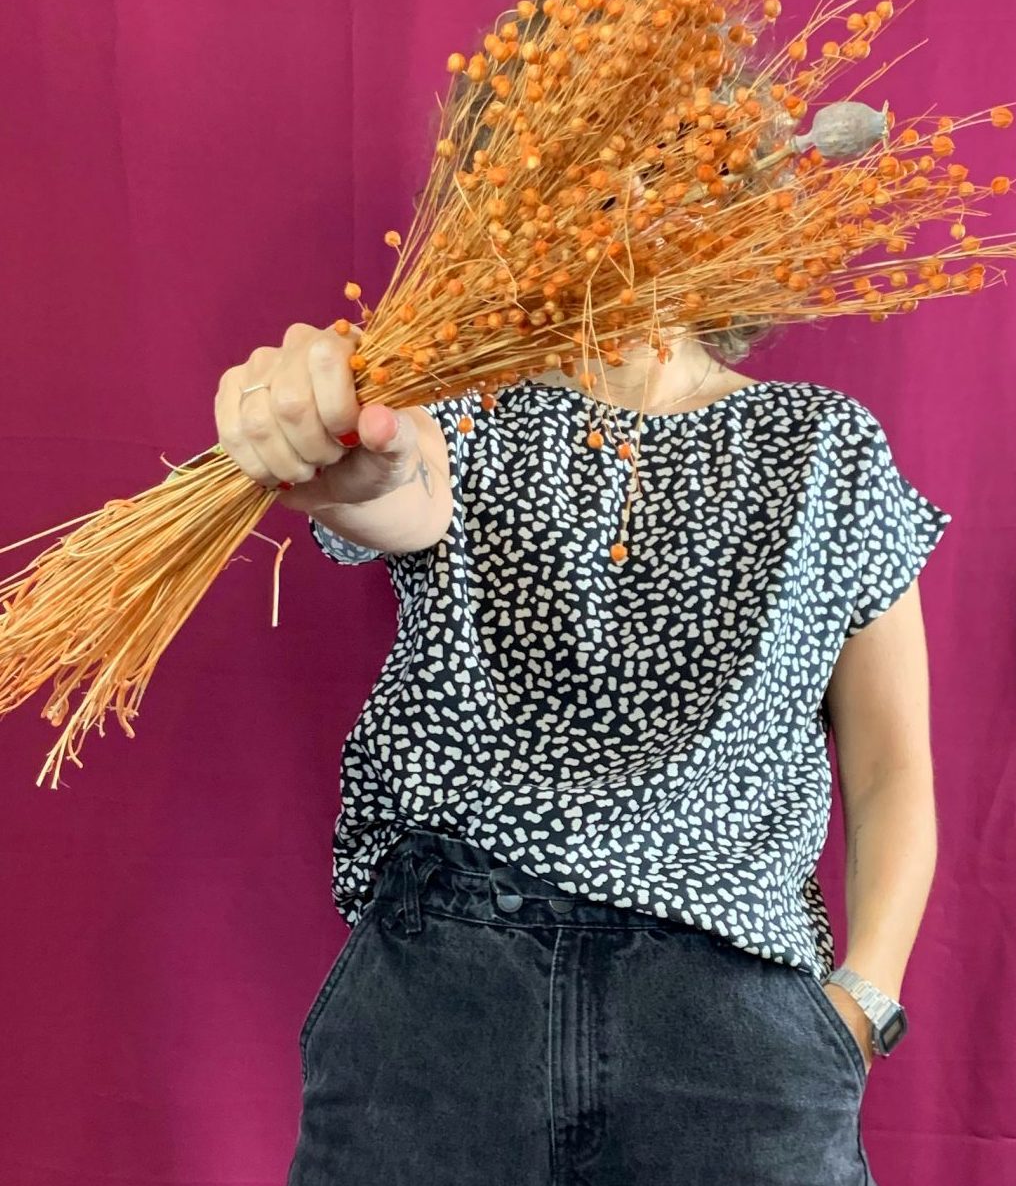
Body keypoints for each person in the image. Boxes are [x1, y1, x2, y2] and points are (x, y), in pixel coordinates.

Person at [214, 299, 951, 1184]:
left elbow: (890, 772)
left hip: (732, 1026)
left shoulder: (826, 444)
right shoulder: (458, 402)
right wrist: (355, 464)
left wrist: (863, 1003)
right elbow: (397, 485)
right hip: (441, 1003)